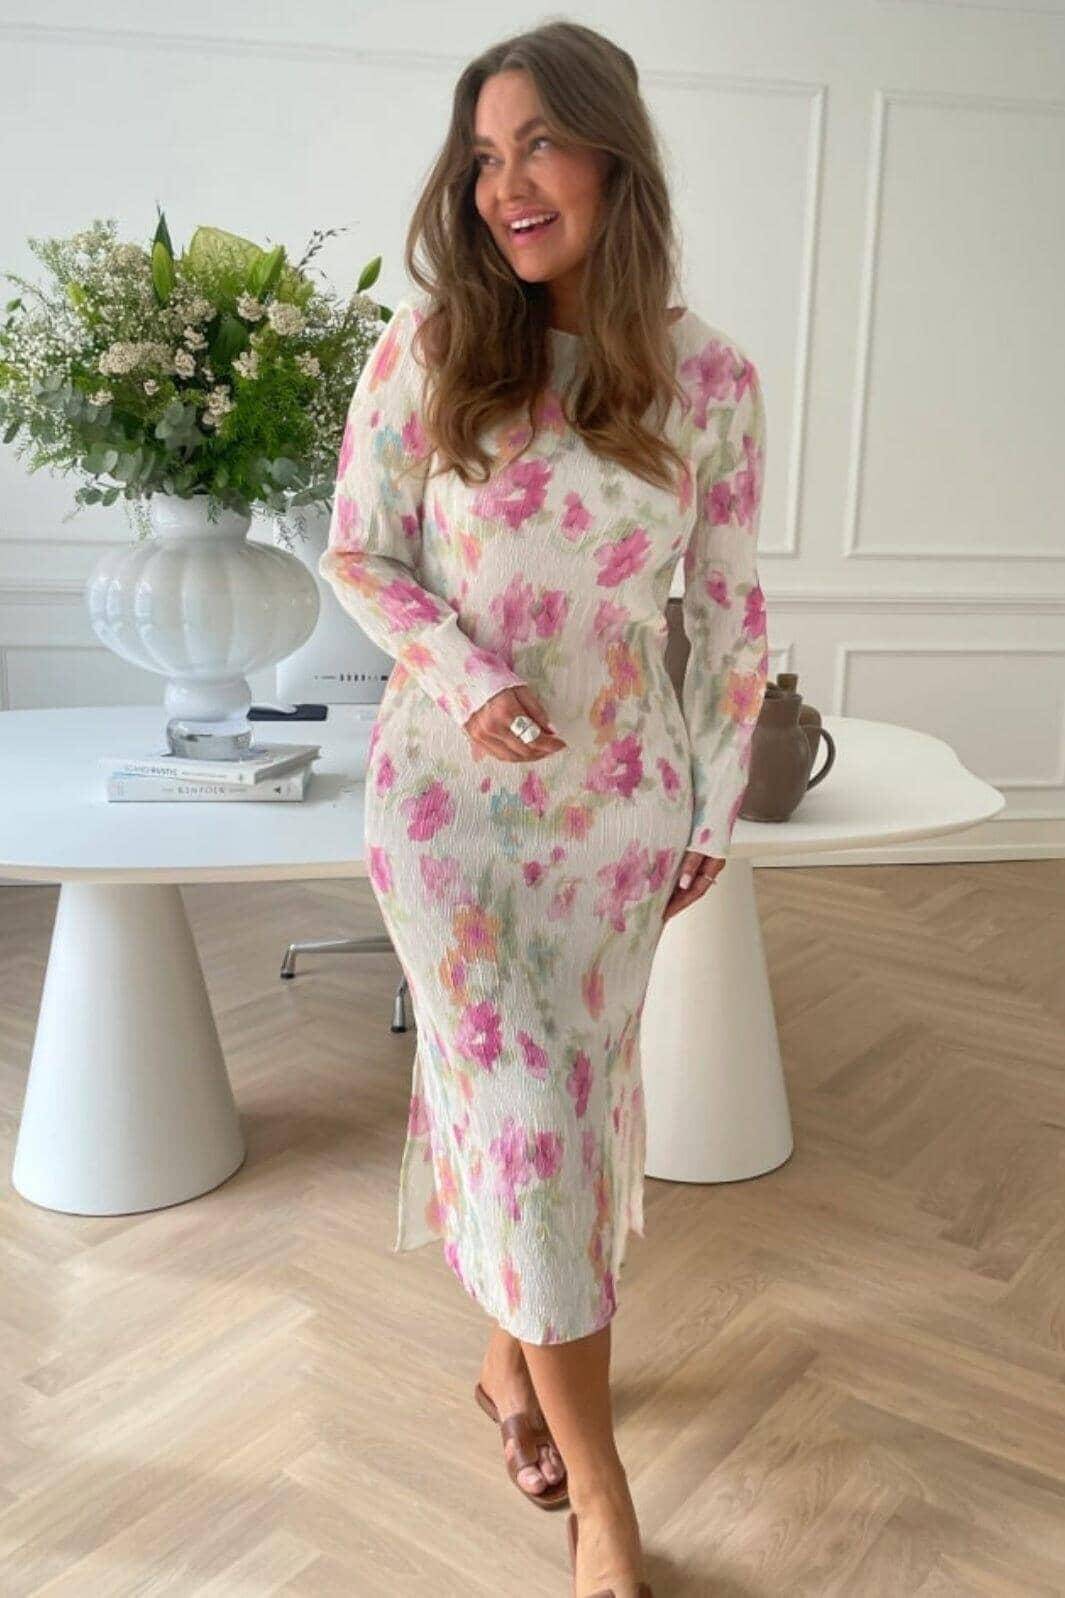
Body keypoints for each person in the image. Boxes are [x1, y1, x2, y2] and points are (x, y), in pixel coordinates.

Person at [318, 20, 769, 1598]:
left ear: (609, 156)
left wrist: (711, 801)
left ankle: (509, 1367)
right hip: (445, 812)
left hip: (620, 817)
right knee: (522, 1117)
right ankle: (605, 1503)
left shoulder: (709, 377)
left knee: (558, 1120)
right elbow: (360, 550)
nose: (504, 184)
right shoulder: (432, 344)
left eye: (537, 145)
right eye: (481, 156)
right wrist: (464, 672)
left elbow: (726, 615)